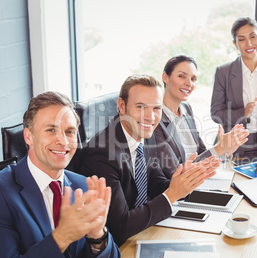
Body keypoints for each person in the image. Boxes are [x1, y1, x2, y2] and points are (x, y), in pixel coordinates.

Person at [80, 74, 220, 246]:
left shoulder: (146, 135)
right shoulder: (102, 154)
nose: (151, 117)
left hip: (143, 232)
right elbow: (120, 227)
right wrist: (172, 194)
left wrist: (184, 180)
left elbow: (155, 184)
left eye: (156, 108)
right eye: (141, 107)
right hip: (116, 248)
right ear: (122, 106)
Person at [0, 92, 121, 258]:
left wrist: (97, 236)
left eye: (69, 132)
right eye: (51, 130)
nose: (63, 141)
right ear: (28, 136)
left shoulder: (83, 185)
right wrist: (62, 237)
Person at [154, 55, 249, 178]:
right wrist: (219, 149)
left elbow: (200, 152)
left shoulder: (186, 108)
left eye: (193, 79)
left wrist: (225, 151)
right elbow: (175, 172)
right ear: (165, 77)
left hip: (200, 180)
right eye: (181, 76)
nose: (189, 83)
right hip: (178, 190)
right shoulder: (155, 118)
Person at [210, 17, 257, 161]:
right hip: (231, 147)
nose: (249, 43)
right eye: (242, 39)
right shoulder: (223, 72)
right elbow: (216, 114)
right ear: (235, 44)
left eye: (253, 37)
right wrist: (242, 113)